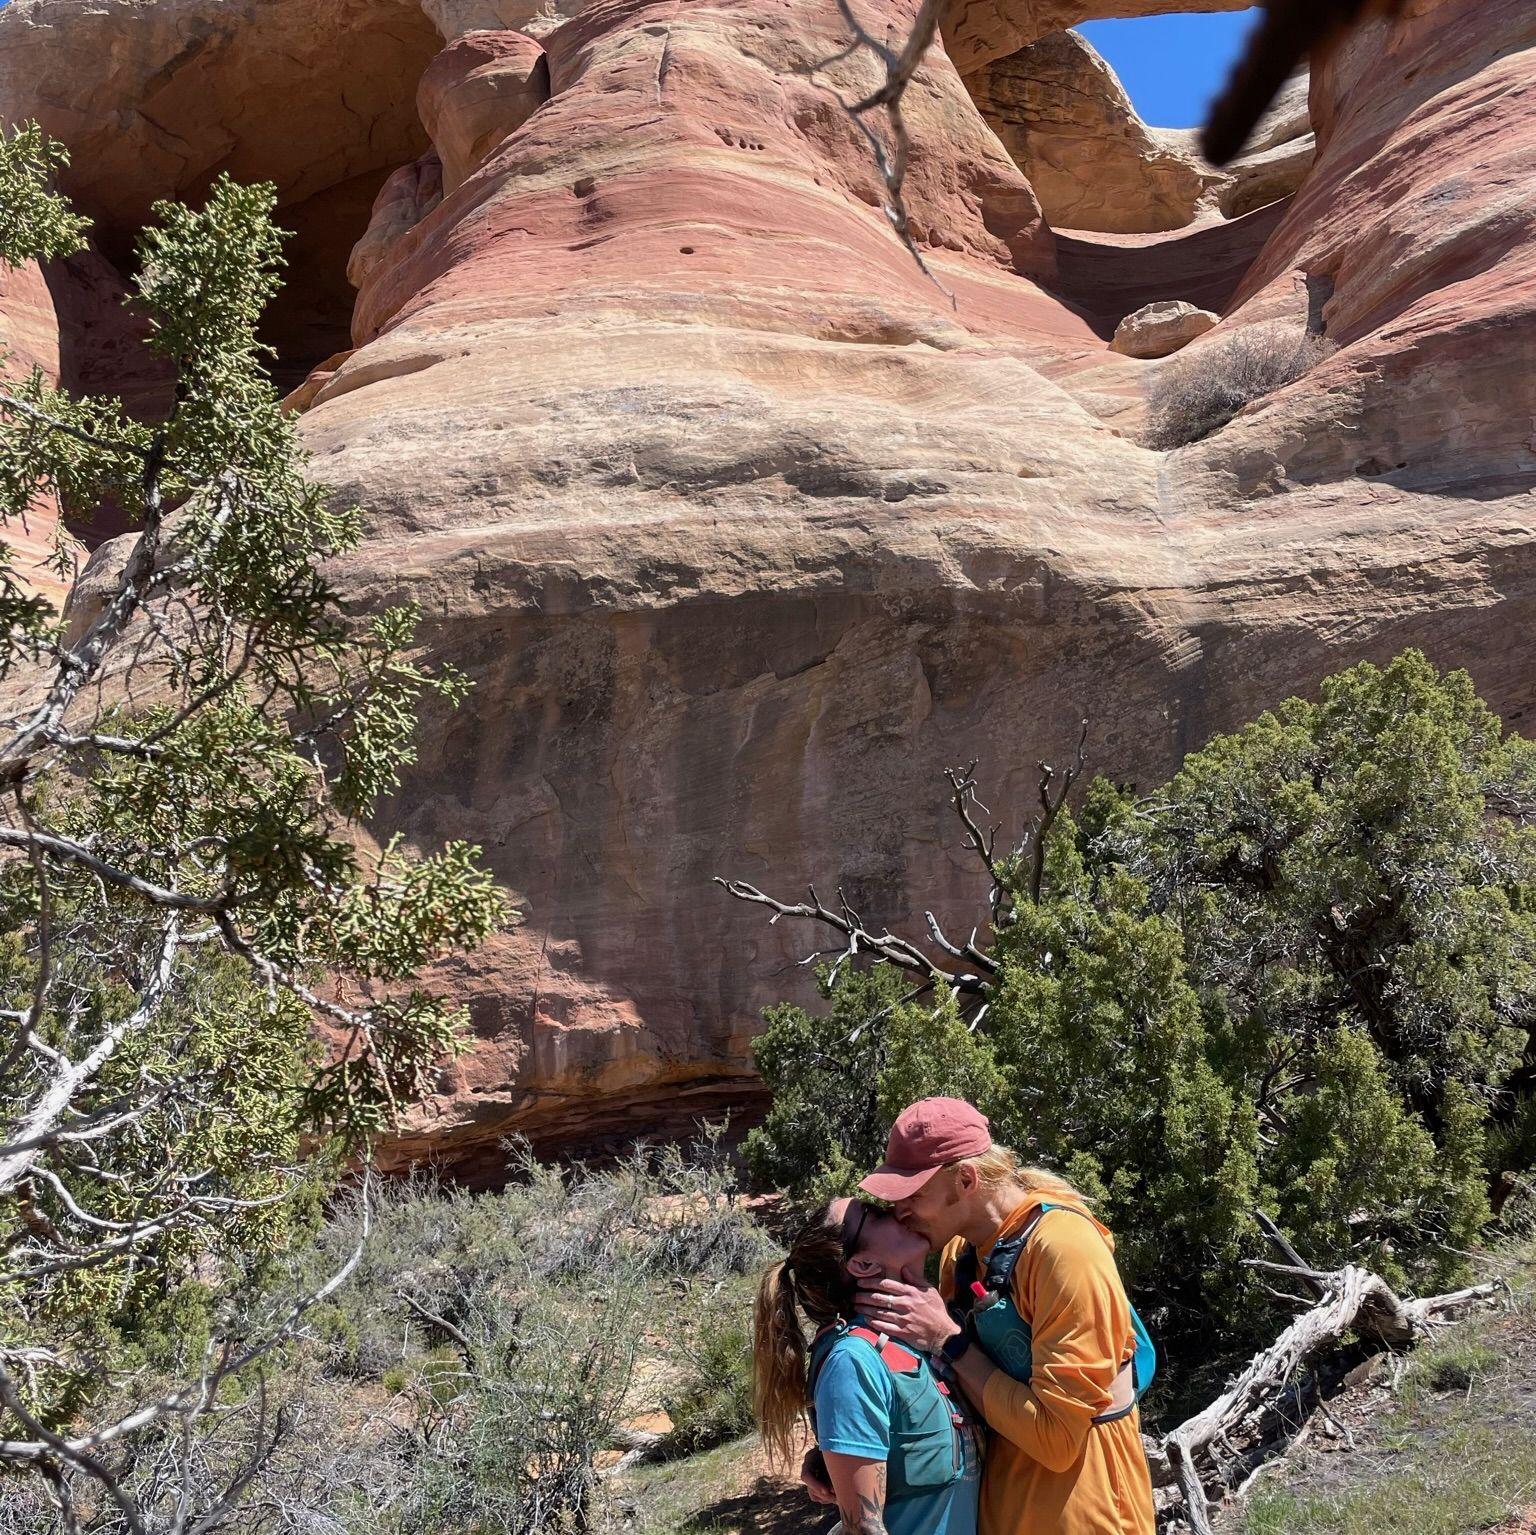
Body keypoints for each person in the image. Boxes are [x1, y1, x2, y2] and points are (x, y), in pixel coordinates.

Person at [856, 1098, 1156, 1535]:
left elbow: (1056, 1441)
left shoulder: (1064, 1250)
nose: (900, 1212)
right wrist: (850, 1456)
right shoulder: (960, 1254)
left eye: (914, 1195)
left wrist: (950, 1342)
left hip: (1083, 1512)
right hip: (1003, 1507)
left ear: (965, 1179)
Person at [753, 1196, 982, 1535]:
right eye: (874, 1214)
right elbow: (863, 1528)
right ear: (862, 1264)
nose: (894, 1210)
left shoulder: (919, 1336)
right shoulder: (853, 1361)